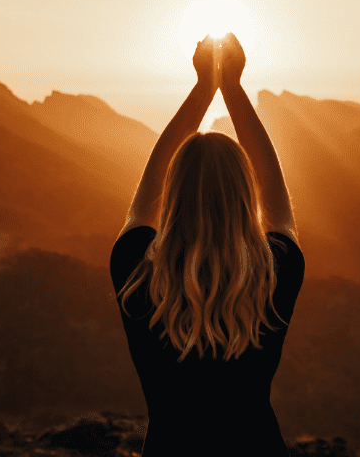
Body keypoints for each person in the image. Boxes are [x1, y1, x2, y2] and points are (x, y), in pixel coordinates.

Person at [109, 32, 305, 457]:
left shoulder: (136, 271)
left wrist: (202, 88)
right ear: (243, 194)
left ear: (173, 192)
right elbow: (279, 209)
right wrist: (232, 89)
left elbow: (142, 204)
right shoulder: (273, 273)